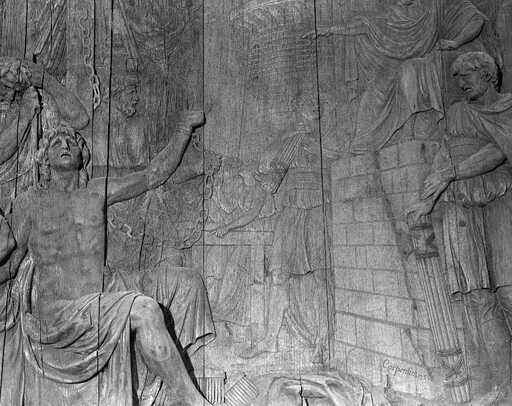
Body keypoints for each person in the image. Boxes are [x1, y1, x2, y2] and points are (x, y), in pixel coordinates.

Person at [0, 111, 212, 405]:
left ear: (81, 155)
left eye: (71, 142)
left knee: (184, 282)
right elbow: (9, 259)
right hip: (60, 312)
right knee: (146, 310)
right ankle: (192, 400)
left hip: (103, 294)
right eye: (56, 143)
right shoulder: (30, 202)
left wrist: (183, 129)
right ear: (44, 159)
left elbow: (152, 175)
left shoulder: (96, 191)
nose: (64, 145)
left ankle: (170, 391)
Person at [409, 51, 512, 402]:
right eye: (456, 78)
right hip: (461, 207)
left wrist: (452, 172)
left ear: (488, 74)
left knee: (508, 291)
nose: (461, 83)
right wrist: (426, 199)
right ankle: (502, 385)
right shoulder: (457, 113)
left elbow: (500, 150)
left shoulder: (508, 108)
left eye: (467, 75)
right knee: (478, 297)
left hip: (500, 202)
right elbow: (445, 154)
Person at [305, 0, 488, 154]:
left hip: (446, 59)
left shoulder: (440, 4)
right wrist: (330, 30)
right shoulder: (396, 14)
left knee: (409, 71)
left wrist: (455, 42)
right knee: (375, 92)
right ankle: (363, 147)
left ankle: (411, 130)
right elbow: (367, 25)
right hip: (406, 66)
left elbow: (476, 19)